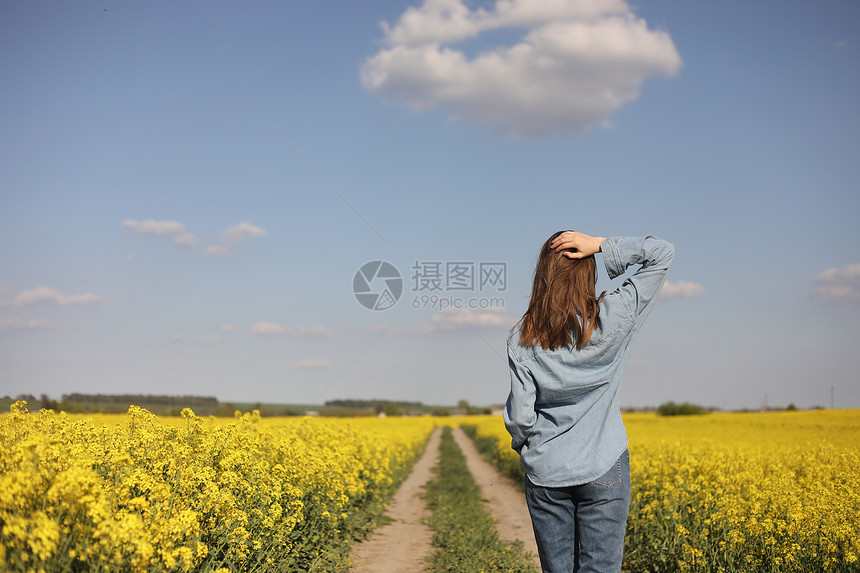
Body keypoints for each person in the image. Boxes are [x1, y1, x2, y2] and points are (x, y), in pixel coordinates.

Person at [504, 231, 674, 573]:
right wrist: (598, 245)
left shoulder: (523, 337)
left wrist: (531, 449)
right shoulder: (615, 315)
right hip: (604, 464)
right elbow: (662, 252)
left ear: (543, 277)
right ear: (589, 271)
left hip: (546, 470)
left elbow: (521, 418)